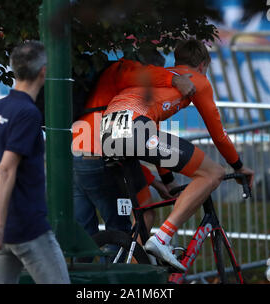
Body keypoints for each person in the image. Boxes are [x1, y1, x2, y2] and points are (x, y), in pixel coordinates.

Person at [101, 39, 254, 272]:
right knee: (213, 173)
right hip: (136, 128)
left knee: (144, 214)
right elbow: (219, 135)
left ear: (177, 60)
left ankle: (132, 277)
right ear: (202, 65)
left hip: (108, 133)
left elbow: (156, 136)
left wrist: (170, 182)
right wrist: (239, 165)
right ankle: (163, 239)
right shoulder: (197, 81)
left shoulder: (164, 75)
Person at [72, 46, 195, 238]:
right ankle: (125, 264)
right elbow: (153, 141)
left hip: (78, 154)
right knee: (120, 229)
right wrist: (175, 79)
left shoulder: (112, 80)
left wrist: (159, 181)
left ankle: (76, 267)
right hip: (101, 156)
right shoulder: (128, 74)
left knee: (82, 233)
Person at [0, 40, 70, 284]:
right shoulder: (28, 113)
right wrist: (2, 222)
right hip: (27, 227)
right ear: (44, 71)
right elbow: (6, 168)